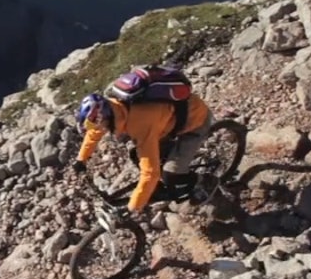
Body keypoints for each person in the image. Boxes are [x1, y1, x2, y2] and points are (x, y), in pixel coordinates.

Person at [71, 89, 213, 219]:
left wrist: (133, 206)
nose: (95, 127)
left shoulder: (139, 123)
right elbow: (94, 133)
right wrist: (81, 159)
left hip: (196, 120)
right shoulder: (114, 108)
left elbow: (150, 173)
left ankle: (205, 181)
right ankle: (156, 188)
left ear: (104, 117)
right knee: (136, 155)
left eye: (94, 123)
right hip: (169, 122)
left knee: (171, 174)